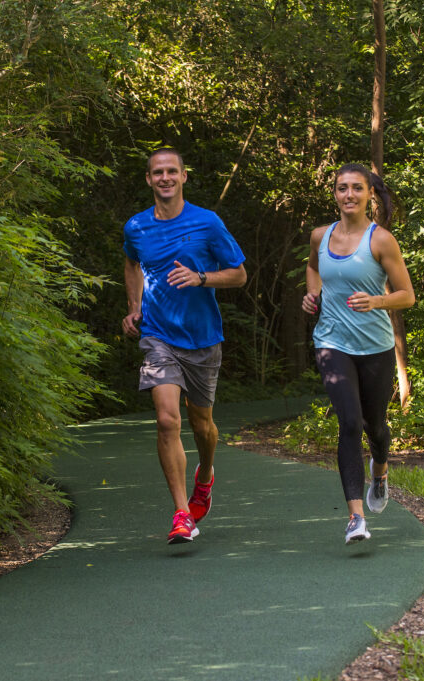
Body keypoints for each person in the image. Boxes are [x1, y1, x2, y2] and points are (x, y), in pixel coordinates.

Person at [122, 148, 247, 544]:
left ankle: (205, 475)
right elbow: (131, 264)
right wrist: (135, 307)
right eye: (157, 172)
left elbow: (240, 275)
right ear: (148, 179)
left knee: (202, 425)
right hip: (158, 336)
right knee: (166, 420)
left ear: (183, 177)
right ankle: (181, 513)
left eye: (171, 171)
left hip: (203, 337)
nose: (165, 178)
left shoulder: (207, 222)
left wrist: (201, 278)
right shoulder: (136, 227)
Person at [301, 163, 415, 544]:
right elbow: (313, 268)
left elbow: (407, 295)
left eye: (356, 188)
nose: (348, 194)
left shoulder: (381, 240)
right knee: (349, 422)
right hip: (331, 343)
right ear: (334, 194)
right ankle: (355, 517)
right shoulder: (321, 235)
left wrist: (377, 300)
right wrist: (313, 294)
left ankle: (379, 471)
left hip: (376, 348)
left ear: (369, 194)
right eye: (341, 188)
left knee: (375, 427)